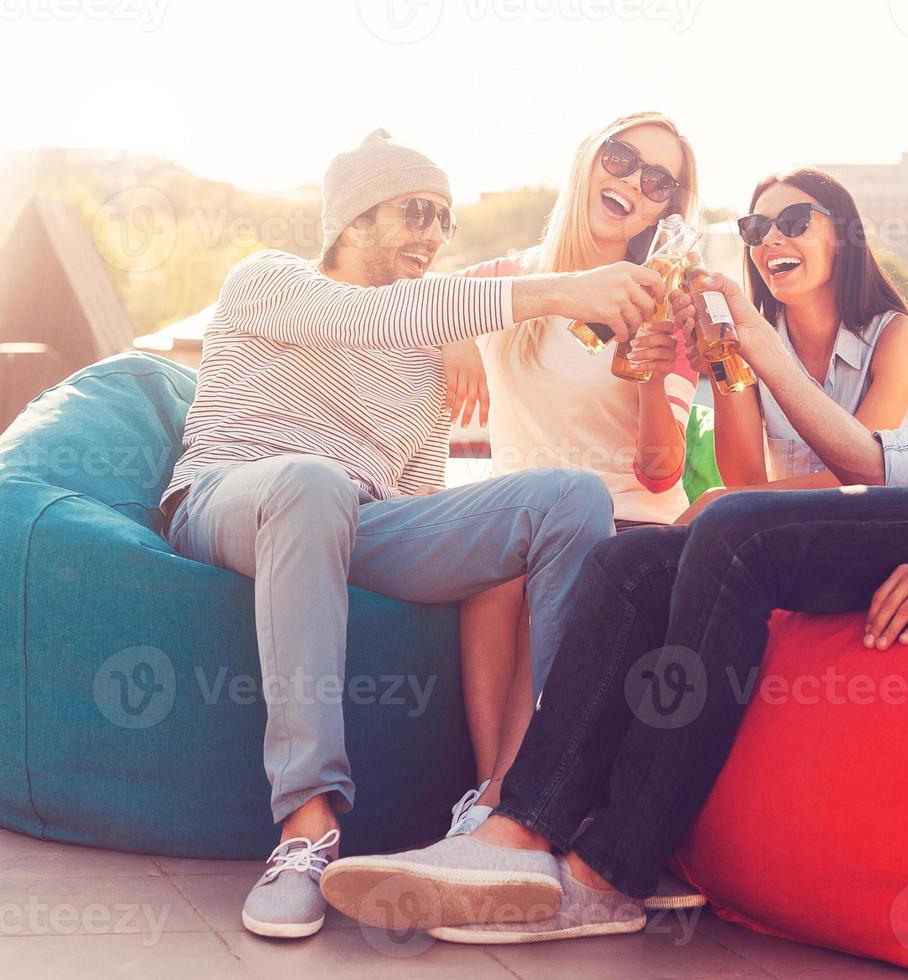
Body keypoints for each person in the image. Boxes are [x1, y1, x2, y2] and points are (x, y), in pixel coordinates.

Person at [320, 125, 908, 945]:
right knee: (632, 560)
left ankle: (609, 871)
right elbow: (873, 454)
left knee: (738, 532)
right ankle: (517, 830)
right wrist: (747, 336)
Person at [160, 129, 662, 940]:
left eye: (444, 220)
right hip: (234, 494)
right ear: (352, 221)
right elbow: (374, 316)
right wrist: (564, 290)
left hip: (362, 519)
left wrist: (450, 345)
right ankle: (306, 826)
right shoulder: (269, 279)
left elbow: (420, 493)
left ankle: (517, 808)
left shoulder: (427, 353)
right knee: (312, 481)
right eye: (414, 211)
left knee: (568, 499)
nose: (431, 233)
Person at [438, 113, 701, 839]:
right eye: (620, 159)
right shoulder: (504, 283)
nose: (631, 183)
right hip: (522, 519)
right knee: (495, 572)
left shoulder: (660, 303)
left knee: (537, 566)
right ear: (589, 158)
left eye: (657, 182)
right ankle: (492, 794)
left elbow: (660, 473)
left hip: (622, 519)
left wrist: (650, 375)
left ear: (664, 209)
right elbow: (411, 306)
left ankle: (510, 798)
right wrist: (454, 331)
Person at [678, 167, 908, 524]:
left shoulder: (899, 337)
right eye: (756, 228)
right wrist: (721, 361)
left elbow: (867, 473)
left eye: (794, 222)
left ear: (843, 236)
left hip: (884, 533)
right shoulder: (747, 339)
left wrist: (719, 502)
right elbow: (745, 481)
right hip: (786, 539)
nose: (770, 239)